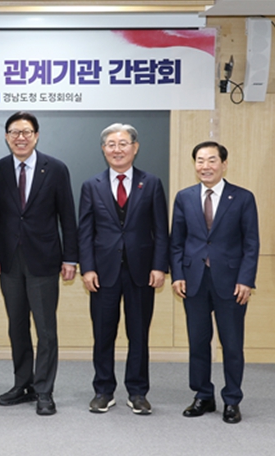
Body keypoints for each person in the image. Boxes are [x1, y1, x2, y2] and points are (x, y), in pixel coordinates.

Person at [0, 111, 78, 416]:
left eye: (26, 132)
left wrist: (70, 257)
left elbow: (68, 216)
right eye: (14, 132)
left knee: (46, 329)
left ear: (36, 136)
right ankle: (22, 384)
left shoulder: (56, 169)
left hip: (45, 259)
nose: (20, 137)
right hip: (9, 260)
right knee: (17, 326)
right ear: (6, 137)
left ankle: (44, 390)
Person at [78, 123, 168, 415]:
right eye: (111, 144)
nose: (117, 149)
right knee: (103, 333)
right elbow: (85, 232)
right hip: (102, 272)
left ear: (135, 147)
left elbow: (161, 229)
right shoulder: (91, 185)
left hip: (141, 271)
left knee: (138, 334)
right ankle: (103, 390)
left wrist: (160, 266)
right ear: (103, 149)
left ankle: (138, 392)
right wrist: (87, 268)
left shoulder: (151, 183)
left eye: (123, 143)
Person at [170, 141, 259, 424]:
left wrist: (246, 279)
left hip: (231, 282)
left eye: (211, 160)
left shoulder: (242, 198)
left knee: (231, 344)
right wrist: (178, 275)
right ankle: (203, 395)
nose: (205, 166)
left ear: (223, 164)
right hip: (193, 280)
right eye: (200, 160)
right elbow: (176, 242)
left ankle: (232, 399)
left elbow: (251, 243)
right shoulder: (184, 197)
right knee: (198, 342)